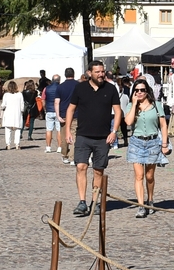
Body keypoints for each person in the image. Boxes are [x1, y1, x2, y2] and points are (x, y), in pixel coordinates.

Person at [64, 61, 121, 217]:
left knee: (98, 170)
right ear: (89, 73)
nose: (101, 74)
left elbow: (118, 111)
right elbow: (71, 109)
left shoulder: (110, 89)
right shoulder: (80, 88)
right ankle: (82, 202)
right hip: (83, 135)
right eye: (97, 72)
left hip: (103, 137)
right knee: (81, 167)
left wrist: (114, 131)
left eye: (102, 71)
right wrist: (67, 130)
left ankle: (95, 202)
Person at [124, 78, 169, 217]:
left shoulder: (156, 105)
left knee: (149, 176)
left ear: (147, 91)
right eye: (136, 90)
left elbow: (163, 125)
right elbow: (128, 122)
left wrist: (164, 144)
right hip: (136, 143)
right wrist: (134, 104)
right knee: (139, 176)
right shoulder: (131, 105)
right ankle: (141, 206)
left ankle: (150, 200)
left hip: (152, 143)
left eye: (142, 90)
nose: (139, 92)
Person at [56, 68, 79, 164]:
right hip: (76, 114)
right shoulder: (78, 85)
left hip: (63, 114)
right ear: (74, 74)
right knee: (74, 136)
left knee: (64, 135)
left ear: (65, 75)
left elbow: (57, 102)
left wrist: (58, 115)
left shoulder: (60, 87)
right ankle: (73, 157)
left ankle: (64, 155)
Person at [0, 80, 26, 150]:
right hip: (17, 113)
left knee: (8, 129)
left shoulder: (6, 95)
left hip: (8, 113)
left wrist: (2, 107)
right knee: (18, 129)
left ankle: (8, 144)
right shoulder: (19, 94)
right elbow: (22, 105)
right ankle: (17, 144)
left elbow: (3, 105)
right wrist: (22, 111)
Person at [43, 74, 61, 153]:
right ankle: (59, 147)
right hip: (58, 111)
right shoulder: (61, 88)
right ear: (59, 80)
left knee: (49, 130)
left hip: (49, 110)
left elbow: (43, 100)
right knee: (59, 130)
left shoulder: (46, 88)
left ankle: (48, 147)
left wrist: (45, 108)